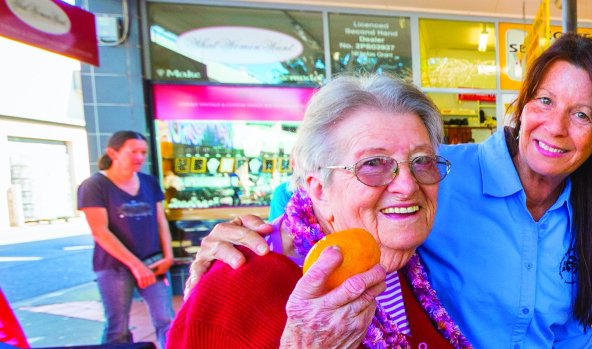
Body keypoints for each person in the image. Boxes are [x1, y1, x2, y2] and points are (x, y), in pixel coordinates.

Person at [185, 33, 592, 347]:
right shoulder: (446, 176)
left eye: (582, 115)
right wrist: (239, 245)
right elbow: (308, 207)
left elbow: (571, 334)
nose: (406, 184)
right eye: (545, 100)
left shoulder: (403, 274)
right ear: (523, 106)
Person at [167, 75, 469, 348]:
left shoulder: (409, 259)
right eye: (373, 163)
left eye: (421, 160)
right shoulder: (236, 288)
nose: (407, 184)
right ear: (319, 188)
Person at [77, 131, 174, 347]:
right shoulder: (94, 185)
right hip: (114, 267)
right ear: (113, 153)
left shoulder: (149, 182)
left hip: (154, 262)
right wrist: (136, 266)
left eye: (143, 152)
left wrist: (168, 256)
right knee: (117, 327)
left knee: (166, 320)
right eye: (133, 151)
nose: (140, 157)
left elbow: (161, 222)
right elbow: (100, 231)